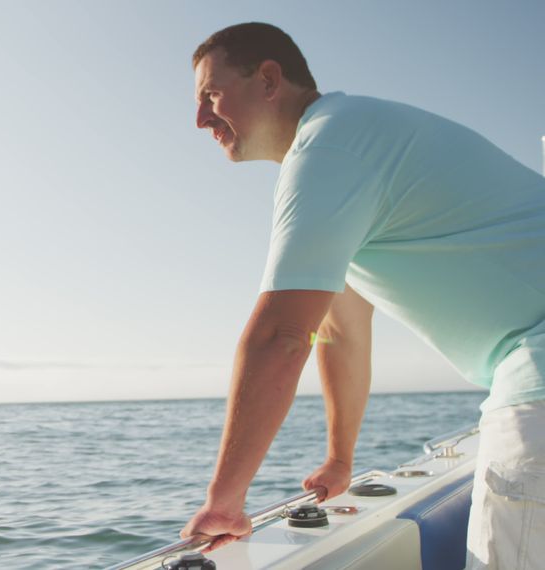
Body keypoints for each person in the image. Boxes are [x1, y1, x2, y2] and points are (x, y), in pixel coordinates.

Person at [180, 22, 545, 568]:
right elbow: (338, 329)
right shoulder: (354, 140)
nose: (200, 118)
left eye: (211, 94)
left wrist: (224, 502)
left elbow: (282, 334)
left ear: (269, 79)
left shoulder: (329, 147)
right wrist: (339, 458)